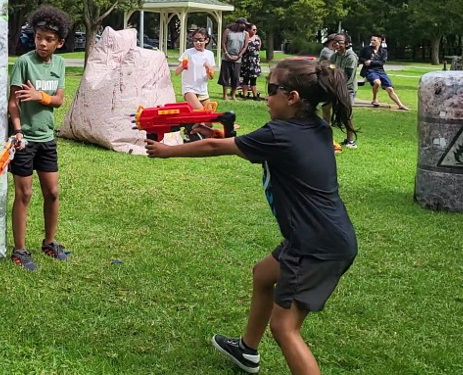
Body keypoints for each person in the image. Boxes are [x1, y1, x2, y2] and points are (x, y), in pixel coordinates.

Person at [146, 58, 358, 375]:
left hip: (314, 245)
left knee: (285, 328)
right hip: (322, 236)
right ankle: (247, 351)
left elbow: (214, 147)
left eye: (271, 90)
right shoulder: (315, 127)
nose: (265, 97)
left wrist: (167, 150)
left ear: (293, 98)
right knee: (263, 274)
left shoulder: (279, 134)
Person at [7, 6, 70, 271]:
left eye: (49, 39)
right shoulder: (24, 63)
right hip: (25, 140)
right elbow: (12, 104)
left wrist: (39, 96)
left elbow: (58, 100)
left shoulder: (60, 64)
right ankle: (20, 250)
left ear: (60, 43)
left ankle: (49, 242)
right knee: (24, 194)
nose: (42, 43)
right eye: (39, 37)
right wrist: (18, 132)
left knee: (52, 192)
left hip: (47, 139)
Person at [358, 34, 408, 111]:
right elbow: (360, 57)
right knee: (377, 82)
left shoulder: (384, 51)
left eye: (374, 40)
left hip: (380, 71)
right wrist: (364, 61)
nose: (372, 42)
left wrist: (371, 62)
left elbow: (382, 62)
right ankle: (375, 99)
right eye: (371, 40)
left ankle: (400, 105)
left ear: (379, 40)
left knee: (390, 89)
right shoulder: (366, 49)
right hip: (369, 70)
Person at [327, 34, 359, 149]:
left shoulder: (351, 57)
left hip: (347, 90)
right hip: (335, 87)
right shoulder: (334, 56)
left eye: (339, 42)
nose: (335, 43)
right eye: (334, 41)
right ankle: (326, 137)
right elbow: (329, 71)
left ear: (346, 44)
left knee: (347, 114)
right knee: (326, 109)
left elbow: (348, 77)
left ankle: (350, 141)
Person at [174, 28, 216, 110]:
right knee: (200, 112)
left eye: (200, 40)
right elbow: (176, 72)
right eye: (195, 40)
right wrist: (183, 66)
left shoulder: (210, 54)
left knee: (209, 118)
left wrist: (208, 69)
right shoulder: (188, 53)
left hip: (203, 90)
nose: (197, 43)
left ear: (206, 40)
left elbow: (211, 77)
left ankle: (190, 123)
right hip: (189, 89)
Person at [218, 18, 248, 101]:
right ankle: (225, 95)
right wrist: (227, 54)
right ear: (239, 24)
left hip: (237, 59)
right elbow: (223, 43)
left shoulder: (245, 34)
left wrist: (239, 56)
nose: (245, 26)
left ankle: (233, 95)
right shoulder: (228, 31)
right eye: (243, 24)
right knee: (225, 77)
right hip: (226, 58)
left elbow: (245, 46)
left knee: (235, 77)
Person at [240, 23, 263, 100]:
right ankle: (244, 95)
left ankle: (255, 96)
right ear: (248, 29)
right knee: (245, 79)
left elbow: (259, 47)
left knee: (254, 80)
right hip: (247, 62)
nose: (255, 31)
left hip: (255, 62)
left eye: (256, 29)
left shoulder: (257, 38)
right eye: (253, 29)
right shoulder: (245, 38)